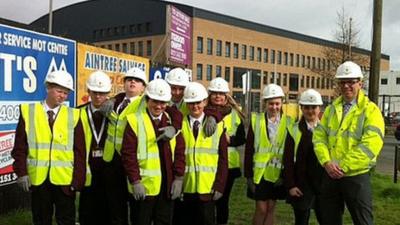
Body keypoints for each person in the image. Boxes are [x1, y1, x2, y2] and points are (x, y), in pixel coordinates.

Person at [313, 61, 385, 225]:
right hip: (330, 174)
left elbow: (369, 147)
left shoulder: (371, 110)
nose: (346, 86)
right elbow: (319, 138)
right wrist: (326, 162)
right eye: (342, 82)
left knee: (363, 221)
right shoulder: (331, 109)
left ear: (360, 83)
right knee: (329, 220)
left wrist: (342, 166)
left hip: (356, 176)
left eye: (351, 82)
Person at [12, 70, 86, 225]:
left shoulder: (74, 115)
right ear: (48, 88)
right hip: (39, 180)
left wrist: (78, 180)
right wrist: (21, 173)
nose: (63, 96)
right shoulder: (28, 112)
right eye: (59, 91)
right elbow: (20, 147)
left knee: (66, 220)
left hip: (65, 181)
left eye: (66, 93)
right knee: (41, 220)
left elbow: (80, 151)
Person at [121, 79, 185, 225]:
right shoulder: (134, 121)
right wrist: (135, 181)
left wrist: (179, 177)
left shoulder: (173, 123)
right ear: (147, 99)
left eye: (163, 103)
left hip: (166, 186)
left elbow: (180, 153)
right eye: (155, 101)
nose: (158, 106)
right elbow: (128, 155)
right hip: (144, 187)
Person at [174, 82, 228, 225]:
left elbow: (223, 159)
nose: (195, 106)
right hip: (186, 188)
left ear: (205, 102)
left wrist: (220, 185)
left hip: (207, 188)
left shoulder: (218, 126)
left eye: (198, 102)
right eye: (191, 103)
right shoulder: (179, 125)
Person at [101, 67, 148, 225]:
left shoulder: (146, 103)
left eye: (137, 80)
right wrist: (112, 99)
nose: (132, 81)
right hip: (112, 160)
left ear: (143, 87)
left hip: (133, 160)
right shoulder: (116, 102)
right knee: (115, 205)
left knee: (136, 206)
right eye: (129, 79)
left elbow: (169, 111)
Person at [244, 83, 293, 225]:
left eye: (277, 103)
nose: (274, 107)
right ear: (265, 103)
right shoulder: (256, 121)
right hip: (259, 174)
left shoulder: (289, 122)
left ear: (282, 103)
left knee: (271, 208)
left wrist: (286, 176)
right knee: (261, 209)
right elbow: (249, 150)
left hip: (277, 174)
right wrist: (248, 175)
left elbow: (289, 152)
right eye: (271, 104)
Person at [206, 77, 246, 225]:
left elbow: (242, 138)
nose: (218, 96)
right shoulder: (203, 111)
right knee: (207, 200)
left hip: (229, 165)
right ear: (210, 95)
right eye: (215, 93)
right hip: (209, 164)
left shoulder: (234, 114)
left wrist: (231, 140)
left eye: (221, 93)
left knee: (222, 200)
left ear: (226, 96)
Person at [283, 89, 324, 225]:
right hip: (301, 185)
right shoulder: (293, 130)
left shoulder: (327, 129)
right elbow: (288, 161)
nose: (310, 110)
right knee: (301, 221)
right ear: (301, 108)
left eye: (314, 107)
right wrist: (291, 185)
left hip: (323, 184)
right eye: (306, 107)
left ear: (319, 108)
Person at [78, 71, 113, 225]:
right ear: (88, 92)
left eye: (103, 93)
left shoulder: (115, 113)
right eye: (95, 92)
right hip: (87, 167)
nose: (98, 96)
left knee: (107, 211)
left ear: (108, 93)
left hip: (108, 168)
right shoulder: (78, 112)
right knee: (87, 210)